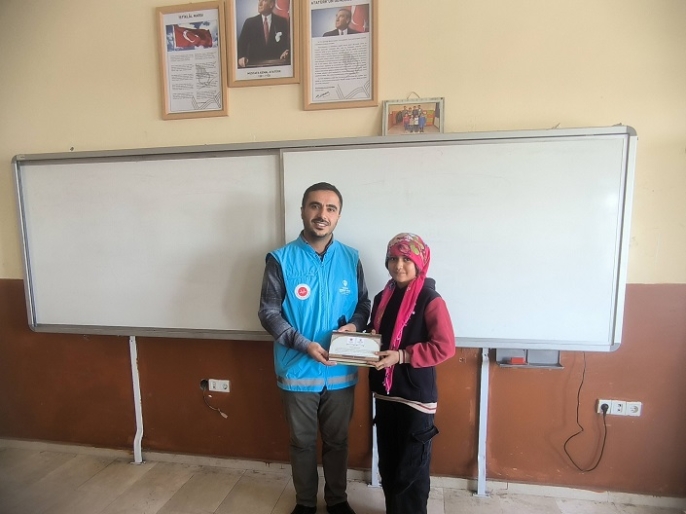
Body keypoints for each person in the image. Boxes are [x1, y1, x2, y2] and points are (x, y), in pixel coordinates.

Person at [258, 182, 370, 514]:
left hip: (340, 370)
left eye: (330, 208)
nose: (322, 214)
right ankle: (305, 503)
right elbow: (268, 312)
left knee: (338, 442)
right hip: (297, 370)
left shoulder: (351, 258)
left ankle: (337, 501)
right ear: (303, 211)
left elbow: (364, 304)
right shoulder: (280, 259)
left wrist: (356, 325)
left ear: (338, 216)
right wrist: (303, 344)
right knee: (302, 443)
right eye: (315, 206)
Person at [366, 233, 455, 514]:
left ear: (420, 262)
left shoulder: (430, 299)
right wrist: (364, 340)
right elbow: (377, 335)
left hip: (415, 399)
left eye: (406, 259)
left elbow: (444, 347)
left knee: (411, 472)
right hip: (385, 395)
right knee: (389, 466)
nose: (398, 265)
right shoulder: (382, 297)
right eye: (393, 258)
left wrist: (402, 356)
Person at [237, 0, 290, 68]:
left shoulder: (281, 22)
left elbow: (285, 44)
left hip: (276, 66)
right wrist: (241, 56)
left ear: (271, 4)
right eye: (259, 0)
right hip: (254, 66)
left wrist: (286, 51)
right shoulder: (249, 22)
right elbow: (242, 44)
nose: (259, 4)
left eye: (264, 1)